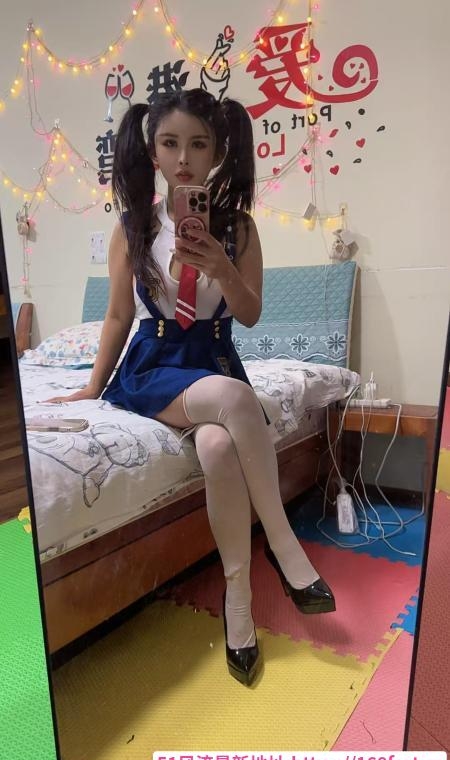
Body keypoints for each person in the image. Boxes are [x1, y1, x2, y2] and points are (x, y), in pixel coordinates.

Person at [49, 88, 335, 686]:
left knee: (218, 445)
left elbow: (249, 315)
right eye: (170, 143)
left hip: (215, 355)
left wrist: (221, 267)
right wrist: (91, 389)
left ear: (218, 152)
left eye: (198, 144)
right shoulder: (132, 227)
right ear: (153, 153)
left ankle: (239, 602)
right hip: (155, 362)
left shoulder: (239, 228)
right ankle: (284, 546)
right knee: (233, 398)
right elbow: (117, 317)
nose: (184, 158)